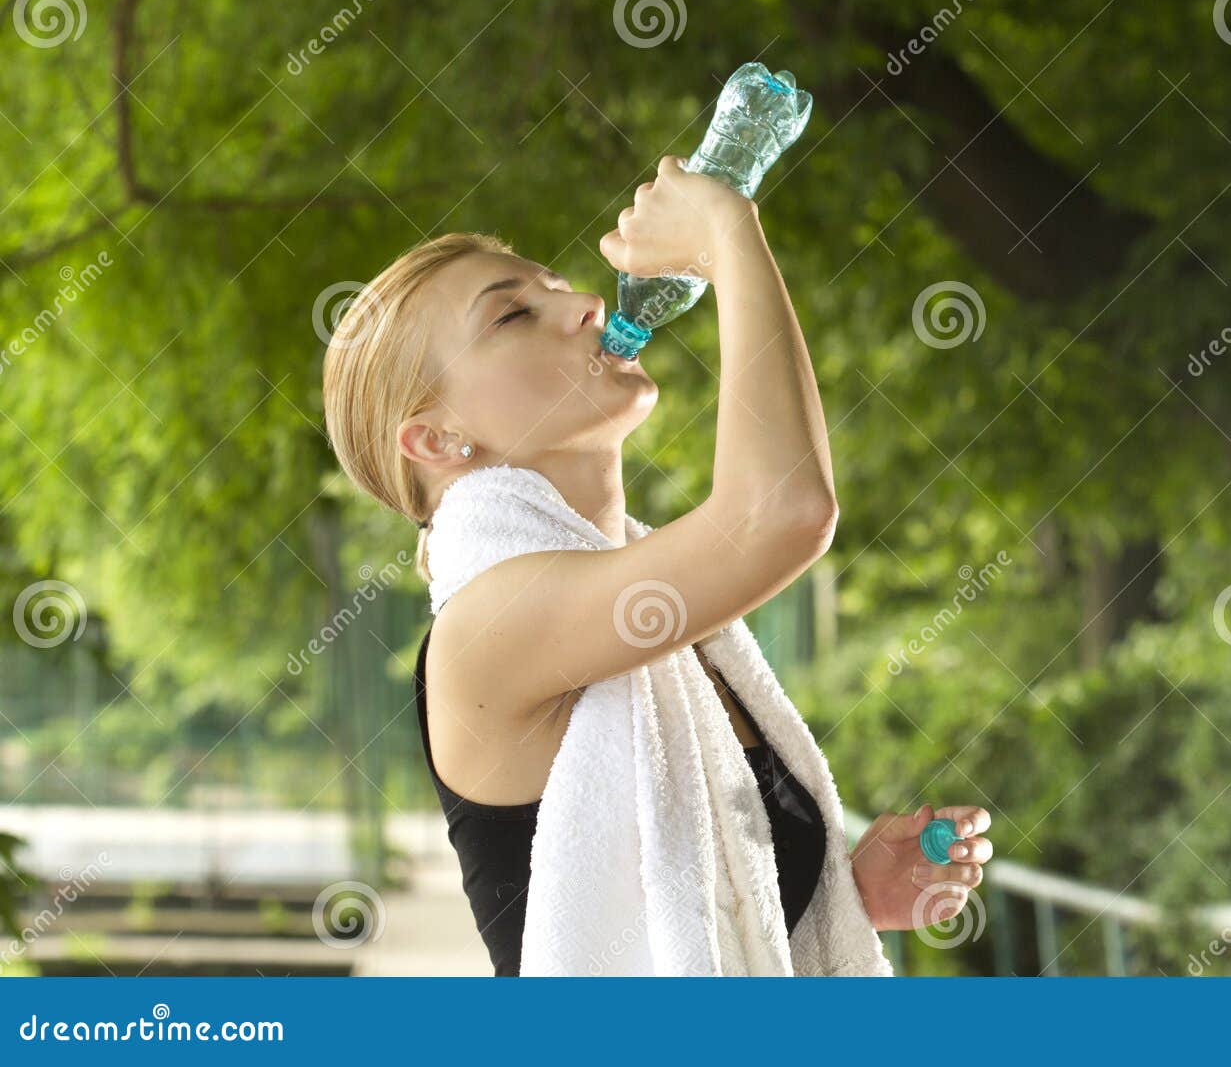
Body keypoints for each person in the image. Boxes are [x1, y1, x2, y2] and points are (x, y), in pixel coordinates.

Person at [321, 154, 993, 974]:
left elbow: (708, 921)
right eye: (511, 316)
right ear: (435, 439)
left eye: (554, 285)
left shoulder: (673, 639)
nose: (585, 303)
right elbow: (783, 512)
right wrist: (727, 232)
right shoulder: (485, 627)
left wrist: (843, 894)